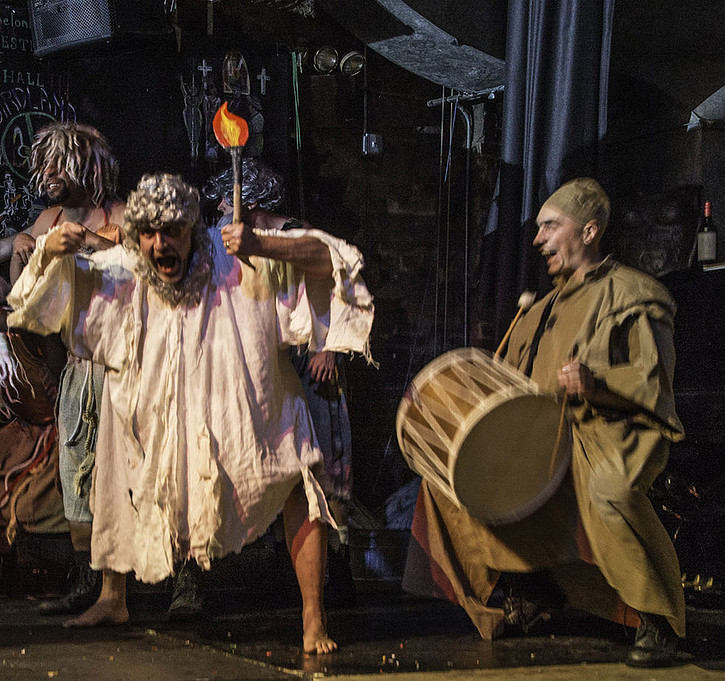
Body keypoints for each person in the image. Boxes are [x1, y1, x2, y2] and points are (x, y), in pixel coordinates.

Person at [8, 173, 373, 653]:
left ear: (194, 230)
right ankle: (112, 598)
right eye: (150, 233)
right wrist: (51, 251)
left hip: (244, 406)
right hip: (153, 410)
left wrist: (263, 242)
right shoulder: (123, 268)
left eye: (173, 231)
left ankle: (312, 617)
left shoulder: (236, 260)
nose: (161, 244)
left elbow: (334, 259)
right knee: (116, 472)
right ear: (137, 236)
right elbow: (33, 306)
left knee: (299, 478)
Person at [402, 178, 685, 668]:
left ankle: (660, 620)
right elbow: (511, 387)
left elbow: (651, 381)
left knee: (606, 491)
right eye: (538, 229)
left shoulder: (631, 294)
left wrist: (595, 383)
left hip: (611, 431)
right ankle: (531, 587)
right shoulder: (539, 309)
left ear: (590, 231)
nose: (538, 240)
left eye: (551, 226)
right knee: (451, 481)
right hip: (546, 432)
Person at [204, 161, 358, 605]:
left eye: (226, 201)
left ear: (249, 203)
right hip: (271, 366)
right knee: (280, 467)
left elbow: (336, 275)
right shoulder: (229, 246)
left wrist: (327, 347)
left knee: (325, 462)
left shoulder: (290, 231)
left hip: (312, 360)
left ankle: (339, 568)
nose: (219, 209)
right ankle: (287, 564)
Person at [11, 122, 125, 616]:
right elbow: (24, 299)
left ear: (88, 165)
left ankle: (175, 584)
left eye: (60, 162)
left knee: (130, 475)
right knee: (76, 471)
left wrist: (89, 244)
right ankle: (87, 580)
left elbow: (143, 263)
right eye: (45, 163)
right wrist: (27, 249)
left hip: (123, 364)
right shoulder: (48, 218)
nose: (49, 173)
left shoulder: (119, 214)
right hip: (78, 365)